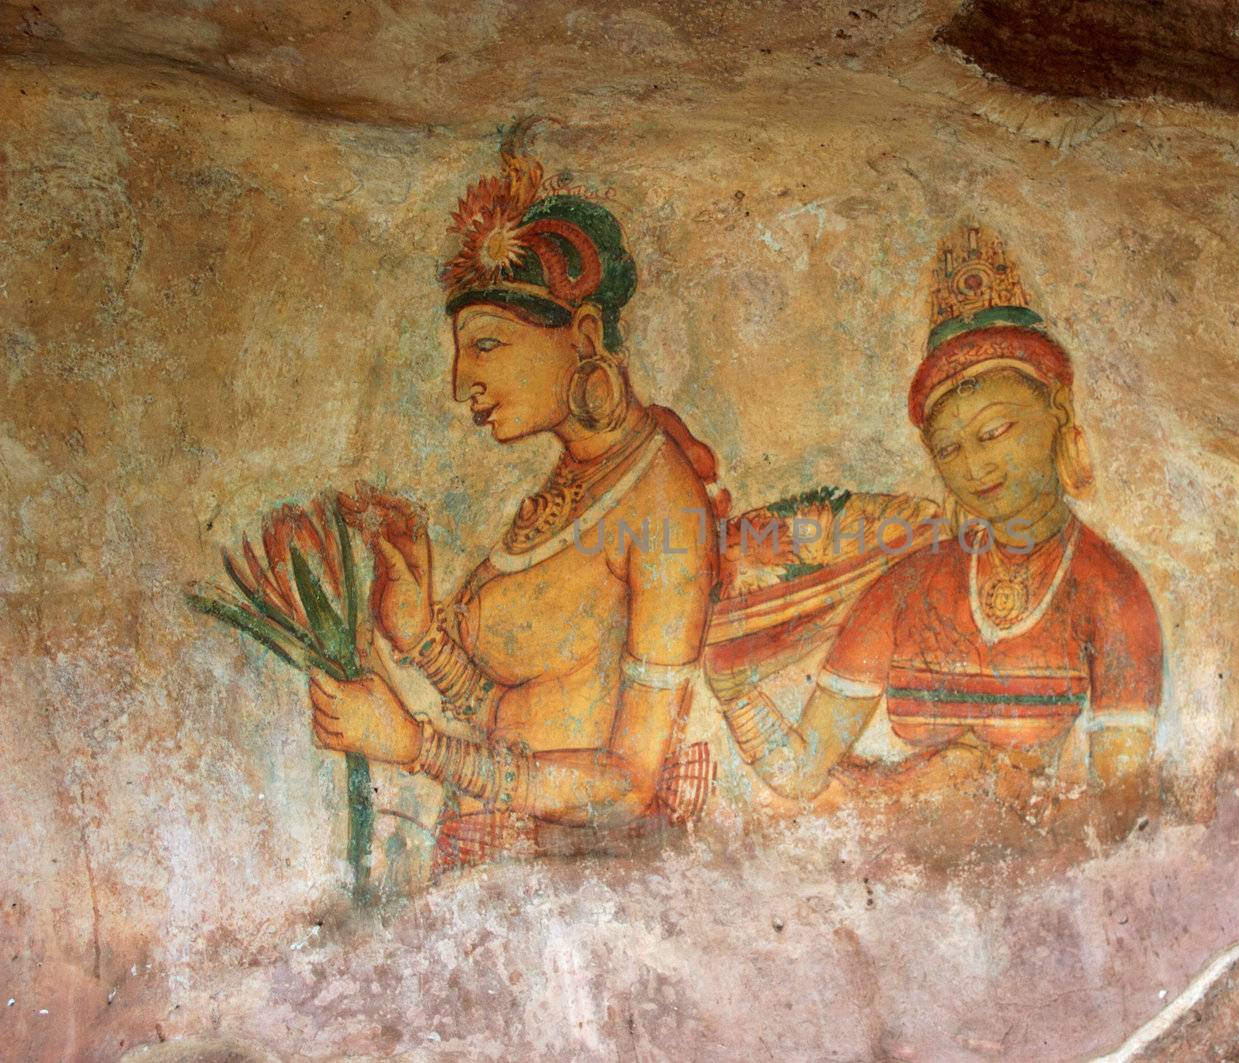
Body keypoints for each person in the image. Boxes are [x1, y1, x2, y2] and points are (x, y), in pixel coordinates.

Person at [307, 153, 722, 873]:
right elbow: (515, 712)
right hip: (495, 867)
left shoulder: (662, 504)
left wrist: (414, 747)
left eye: (488, 345)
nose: (463, 380)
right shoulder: (572, 484)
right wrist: (419, 634)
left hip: (575, 888)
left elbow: (628, 784)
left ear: (585, 338)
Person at [721, 225, 1163, 852]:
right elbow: (799, 771)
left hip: (1036, 879)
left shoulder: (1112, 592)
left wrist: (996, 788)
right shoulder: (910, 582)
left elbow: (1118, 819)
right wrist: (737, 693)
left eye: (996, 430)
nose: (974, 468)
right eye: (949, 449)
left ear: (1057, 416)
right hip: (892, 867)